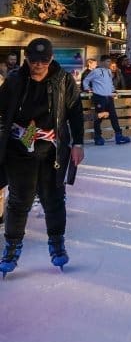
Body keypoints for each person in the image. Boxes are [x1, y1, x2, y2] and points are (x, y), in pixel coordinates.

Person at [0, 38, 86, 275]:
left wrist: (78, 143)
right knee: (19, 201)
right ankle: (11, 248)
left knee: (54, 199)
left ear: (51, 59)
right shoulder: (15, 80)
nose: (38, 65)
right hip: (19, 148)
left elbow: (75, 112)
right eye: (33, 60)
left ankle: (57, 244)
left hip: (52, 150)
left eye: (44, 60)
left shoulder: (63, 81)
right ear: (26, 58)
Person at [83, 55, 129, 145]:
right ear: (102, 62)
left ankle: (119, 136)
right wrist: (87, 88)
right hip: (99, 97)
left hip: (109, 97)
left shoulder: (108, 71)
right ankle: (98, 137)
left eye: (110, 61)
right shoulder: (95, 71)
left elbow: (110, 83)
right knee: (99, 117)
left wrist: (113, 90)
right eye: (107, 61)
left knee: (114, 117)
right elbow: (86, 80)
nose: (109, 63)